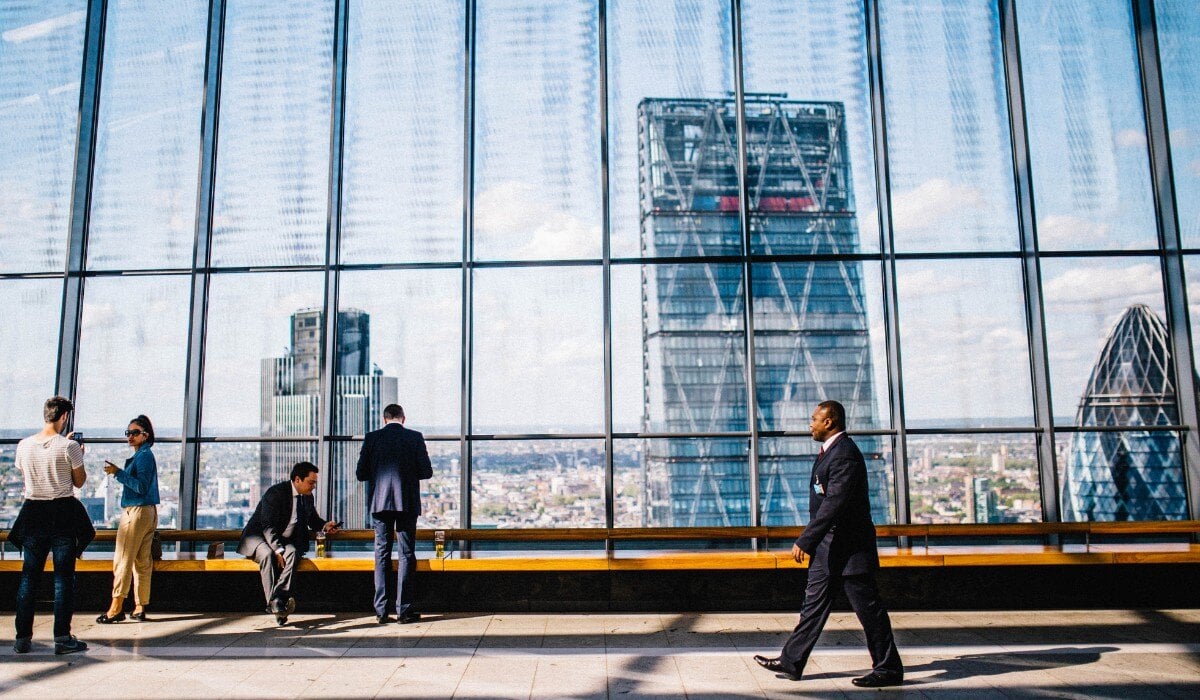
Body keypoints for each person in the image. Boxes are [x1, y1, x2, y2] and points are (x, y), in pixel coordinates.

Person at [754, 400, 904, 688]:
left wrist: (806, 539)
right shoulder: (830, 452)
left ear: (830, 422)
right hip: (829, 550)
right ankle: (791, 661)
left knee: (869, 611)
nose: (810, 424)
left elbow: (834, 503)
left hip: (849, 551)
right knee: (812, 606)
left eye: (814, 419)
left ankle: (888, 668)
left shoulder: (844, 454)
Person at [9, 396, 93, 655]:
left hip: (33, 513)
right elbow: (79, 482)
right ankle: (62, 637)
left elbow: (25, 477)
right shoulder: (69, 448)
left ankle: (22, 638)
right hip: (62, 515)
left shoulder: (23, 446)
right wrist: (77, 452)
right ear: (65, 417)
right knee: (63, 579)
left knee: (29, 578)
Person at [356, 403, 432, 624]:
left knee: (381, 554)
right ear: (403, 419)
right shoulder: (415, 437)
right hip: (406, 502)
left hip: (380, 503)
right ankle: (404, 610)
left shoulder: (371, 438)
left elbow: (361, 474)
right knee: (407, 554)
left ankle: (381, 611)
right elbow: (426, 472)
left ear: (384, 419)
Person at [237, 461, 339, 625]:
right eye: (311, 482)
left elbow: (313, 519)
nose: (313, 486)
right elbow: (267, 526)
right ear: (297, 479)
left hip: (282, 539)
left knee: (293, 553)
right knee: (268, 555)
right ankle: (278, 605)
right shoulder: (276, 493)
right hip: (258, 537)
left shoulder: (307, 497)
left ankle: (277, 600)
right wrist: (278, 550)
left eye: (314, 483)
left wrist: (325, 525)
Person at [97, 414, 160, 624]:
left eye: (135, 433)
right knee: (142, 561)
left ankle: (116, 608)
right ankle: (140, 606)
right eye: (128, 433)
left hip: (136, 512)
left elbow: (140, 486)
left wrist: (118, 473)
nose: (130, 436)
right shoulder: (145, 455)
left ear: (145, 435)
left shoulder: (143, 457)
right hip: (148, 512)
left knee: (123, 559)